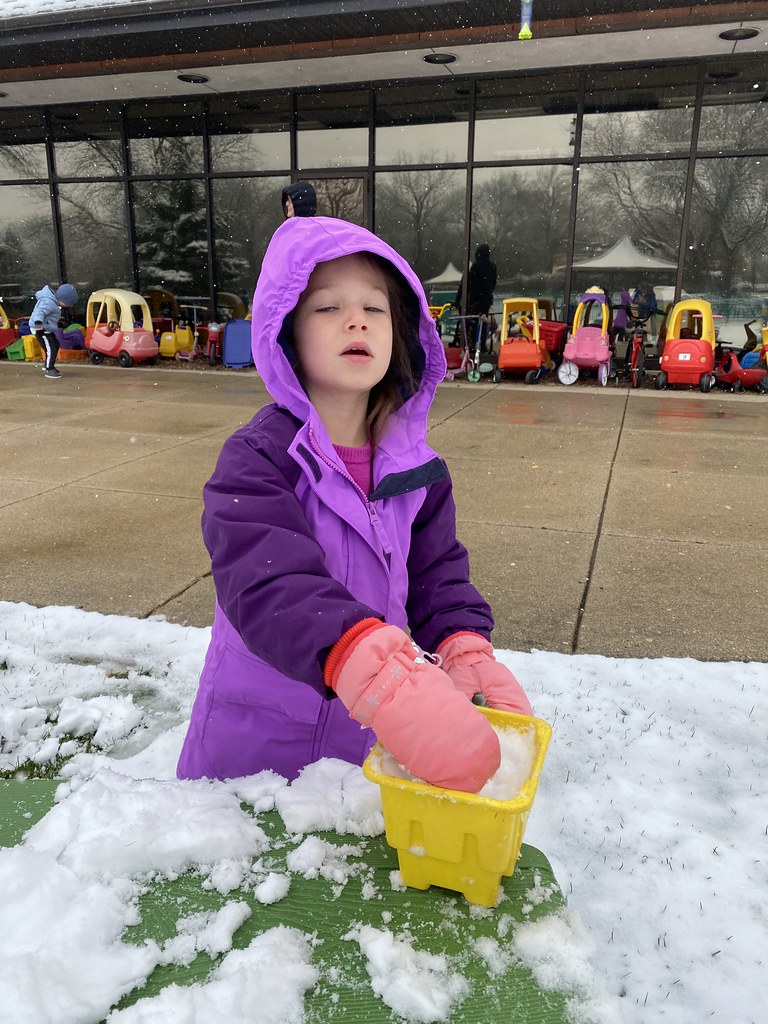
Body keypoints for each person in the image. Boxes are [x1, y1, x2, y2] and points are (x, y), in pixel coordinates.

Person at [177, 217, 532, 792]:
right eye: (326, 308)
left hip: (358, 748)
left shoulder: (418, 472)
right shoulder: (259, 458)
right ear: (286, 331)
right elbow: (270, 584)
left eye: (376, 308)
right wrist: (374, 671)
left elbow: (437, 574)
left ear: (402, 337)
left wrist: (463, 646)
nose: (356, 320)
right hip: (250, 754)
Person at [29, 283, 79, 379]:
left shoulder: (53, 302)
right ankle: (49, 368)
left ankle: (48, 365)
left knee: (55, 345)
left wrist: (58, 320)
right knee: (51, 348)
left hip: (46, 328)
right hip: (40, 329)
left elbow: (50, 315)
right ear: (63, 299)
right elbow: (39, 313)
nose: (67, 306)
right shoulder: (48, 302)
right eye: (67, 304)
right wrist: (39, 326)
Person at [455, 244, 497, 352]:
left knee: (473, 322)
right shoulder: (492, 267)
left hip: (475, 300)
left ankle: (473, 344)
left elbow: (468, 285)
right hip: (486, 300)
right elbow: (493, 284)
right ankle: (481, 344)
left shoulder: (475, 267)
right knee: (482, 322)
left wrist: (460, 300)